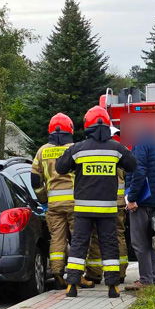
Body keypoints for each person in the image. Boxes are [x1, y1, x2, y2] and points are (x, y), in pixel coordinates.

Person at [56, 106, 136, 298]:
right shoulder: (116, 148)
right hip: (107, 209)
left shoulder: (78, 149)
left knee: (78, 245)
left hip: (83, 208)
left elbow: (60, 168)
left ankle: (72, 286)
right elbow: (132, 165)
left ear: (87, 125)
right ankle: (113, 287)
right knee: (109, 246)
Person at [31, 113, 86, 289]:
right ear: (70, 129)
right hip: (75, 202)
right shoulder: (76, 148)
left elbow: (35, 180)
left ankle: (57, 273)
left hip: (54, 205)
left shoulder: (42, 151)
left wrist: (44, 199)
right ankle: (77, 275)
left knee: (57, 238)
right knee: (78, 238)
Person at [84, 125, 130, 283]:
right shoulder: (120, 150)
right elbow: (129, 172)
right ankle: (120, 272)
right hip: (118, 202)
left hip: (100, 199)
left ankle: (94, 273)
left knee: (96, 236)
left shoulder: (94, 150)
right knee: (118, 235)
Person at [125, 126, 155, 290]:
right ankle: (154, 277)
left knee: (139, 242)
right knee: (151, 240)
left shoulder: (140, 145)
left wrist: (133, 197)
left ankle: (146, 280)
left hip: (141, 201)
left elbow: (139, 171)